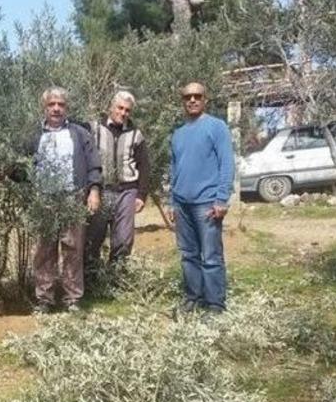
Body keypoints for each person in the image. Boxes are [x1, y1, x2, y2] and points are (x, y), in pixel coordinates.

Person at [29, 87, 102, 314]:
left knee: (73, 249)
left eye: (61, 104)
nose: (56, 108)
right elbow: (20, 166)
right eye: (52, 104)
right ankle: (44, 299)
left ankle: (72, 299)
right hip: (44, 199)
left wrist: (94, 190)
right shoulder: (34, 136)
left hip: (72, 197)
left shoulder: (80, 133)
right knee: (44, 250)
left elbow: (94, 165)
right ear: (45, 107)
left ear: (66, 108)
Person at [166, 82, 235, 316]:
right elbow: (174, 170)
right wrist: (170, 201)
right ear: (182, 101)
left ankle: (215, 303)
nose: (192, 100)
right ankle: (192, 298)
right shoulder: (178, 134)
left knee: (211, 255)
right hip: (182, 204)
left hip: (207, 203)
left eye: (197, 96)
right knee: (188, 255)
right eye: (187, 97)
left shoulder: (217, 127)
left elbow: (227, 163)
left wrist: (222, 199)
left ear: (205, 99)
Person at [85, 91, 150, 272]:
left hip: (126, 191)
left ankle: (116, 278)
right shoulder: (94, 128)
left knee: (123, 239)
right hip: (101, 190)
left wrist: (141, 195)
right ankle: (92, 279)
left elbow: (144, 165)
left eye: (127, 110)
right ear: (111, 108)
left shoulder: (135, 134)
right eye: (120, 108)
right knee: (93, 236)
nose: (123, 113)